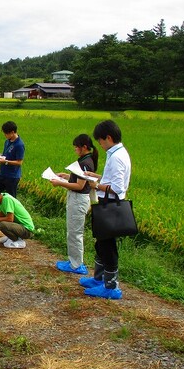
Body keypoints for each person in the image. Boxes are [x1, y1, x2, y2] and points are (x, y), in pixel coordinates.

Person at [81, 120, 131, 300]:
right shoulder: (117, 153)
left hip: (109, 205)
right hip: (106, 203)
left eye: (100, 141)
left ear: (108, 138)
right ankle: (99, 278)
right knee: (100, 243)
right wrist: (97, 177)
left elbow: (117, 188)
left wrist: (97, 185)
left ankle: (110, 286)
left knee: (108, 247)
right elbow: (112, 179)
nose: (100, 145)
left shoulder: (117, 157)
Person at [50, 134, 99, 274]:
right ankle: (73, 261)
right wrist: (65, 176)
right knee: (72, 231)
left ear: (84, 147)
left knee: (75, 233)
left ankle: (76, 264)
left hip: (78, 200)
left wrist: (59, 183)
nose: (75, 149)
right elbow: (78, 179)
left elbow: (79, 186)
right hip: (77, 199)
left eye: (77, 147)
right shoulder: (85, 160)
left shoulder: (86, 162)